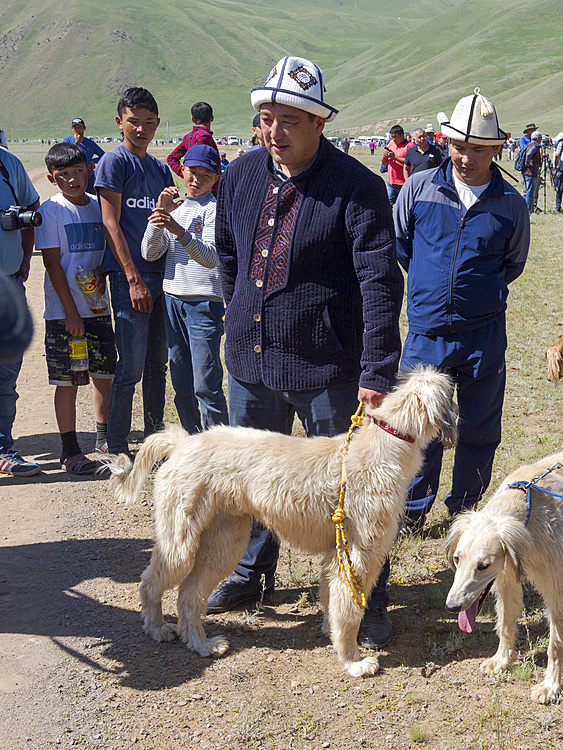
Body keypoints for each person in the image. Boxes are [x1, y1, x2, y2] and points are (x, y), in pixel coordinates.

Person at [207, 56, 403, 650]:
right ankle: (248, 572)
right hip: (252, 362)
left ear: (319, 122)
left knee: (352, 490)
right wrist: (238, 314)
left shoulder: (358, 188)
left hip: (329, 368)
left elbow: (378, 282)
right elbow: (229, 256)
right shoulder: (239, 177)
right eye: (266, 118)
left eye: (289, 119)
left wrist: (375, 369)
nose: (275, 131)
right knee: (250, 479)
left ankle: (365, 596)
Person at [393, 88, 529, 531]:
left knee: (480, 426)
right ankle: (412, 510)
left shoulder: (511, 205)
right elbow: (403, 247)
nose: (465, 157)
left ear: (496, 149)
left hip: (483, 333)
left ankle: (466, 508)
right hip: (427, 332)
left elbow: (513, 263)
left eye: (477, 149)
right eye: (458, 146)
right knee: (417, 425)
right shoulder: (418, 187)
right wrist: (432, 290)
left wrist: (474, 294)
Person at [95, 87, 175, 458]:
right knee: (129, 366)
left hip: (163, 278)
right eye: (133, 122)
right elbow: (111, 223)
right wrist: (132, 278)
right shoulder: (114, 162)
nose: (140, 129)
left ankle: (154, 441)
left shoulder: (160, 169)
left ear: (157, 124)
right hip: (132, 279)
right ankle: (115, 444)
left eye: (147, 123)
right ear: (119, 122)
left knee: (158, 364)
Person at [36, 143, 115, 476]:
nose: (72, 180)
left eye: (78, 171)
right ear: (54, 179)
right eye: (64, 175)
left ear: (89, 170)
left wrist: (101, 273)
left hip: (98, 307)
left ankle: (104, 440)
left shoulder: (100, 206)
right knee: (67, 381)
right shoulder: (51, 211)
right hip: (63, 312)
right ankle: (69, 450)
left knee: (105, 374)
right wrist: (70, 314)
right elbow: (53, 265)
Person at [140, 144, 228, 435]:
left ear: (215, 177)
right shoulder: (176, 208)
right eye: (192, 173)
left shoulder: (217, 211)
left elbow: (211, 259)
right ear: (182, 172)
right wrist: (158, 217)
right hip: (172, 300)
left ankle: (219, 448)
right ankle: (193, 440)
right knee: (181, 382)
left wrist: (179, 230)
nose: (196, 180)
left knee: (205, 383)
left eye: (205, 174)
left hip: (204, 302)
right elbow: (149, 253)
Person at [0, 134, 40, 477]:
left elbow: (29, 209)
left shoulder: (6, 162)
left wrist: (26, 256)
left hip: (7, 285)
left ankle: (3, 450)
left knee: (5, 376)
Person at [167, 102, 219, 181]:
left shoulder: (188, 137)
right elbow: (200, 163)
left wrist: (185, 174)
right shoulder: (205, 137)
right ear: (212, 118)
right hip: (207, 188)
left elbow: (171, 158)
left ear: (192, 119)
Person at [62, 118, 104, 191]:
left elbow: (103, 155)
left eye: (80, 127)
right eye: (75, 127)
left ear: (84, 128)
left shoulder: (90, 143)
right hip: (72, 176)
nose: (77, 130)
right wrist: (77, 143)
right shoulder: (67, 140)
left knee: (91, 199)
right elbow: (65, 155)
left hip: (88, 177)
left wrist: (93, 161)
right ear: (72, 128)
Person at [381, 124, 412, 206]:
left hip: (404, 183)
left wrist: (394, 157)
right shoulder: (391, 145)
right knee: (386, 206)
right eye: (392, 137)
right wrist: (384, 157)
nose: (393, 139)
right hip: (391, 183)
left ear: (402, 135)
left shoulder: (410, 146)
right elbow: (384, 163)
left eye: (395, 136)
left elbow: (410, 162)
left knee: (404, 206)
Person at [522, 130, 542, 213]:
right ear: (537, 138)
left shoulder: (529, 144)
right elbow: (528, 155)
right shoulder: (534, 146)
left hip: (527, 172)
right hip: (530, 172)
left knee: (529, 191)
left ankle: (528, 209)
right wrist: (527, 164)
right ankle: (528, 210)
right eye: (540, 138)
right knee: (530, 192)